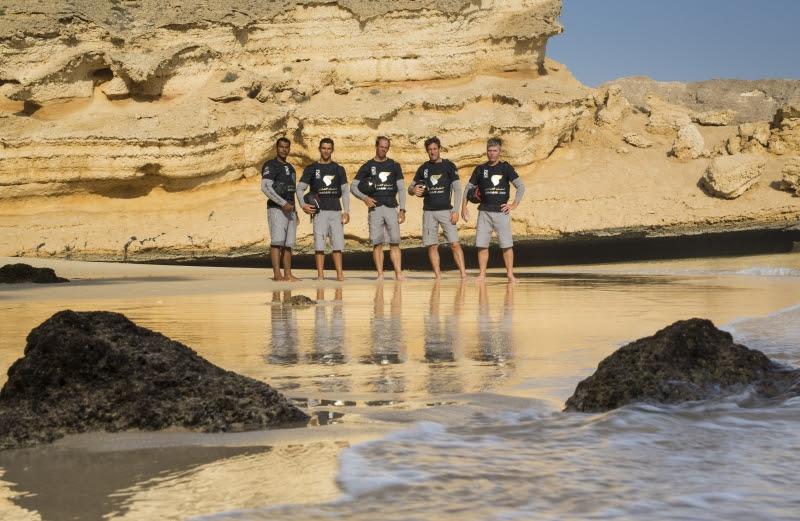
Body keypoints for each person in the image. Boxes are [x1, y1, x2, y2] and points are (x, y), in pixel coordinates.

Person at [461, 137, 525, 283]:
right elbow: (468, 189)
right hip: (484, 211)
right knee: (482, 245)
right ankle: (482, 275)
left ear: (499, 152)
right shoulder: (480, 169)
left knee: (506, 245)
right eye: (489, 151)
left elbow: (521, 186)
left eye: (494, 151)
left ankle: (510, 275)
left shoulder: (506, 168)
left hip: (502, 212)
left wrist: (514, 204)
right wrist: (464, 207)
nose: (491, 153)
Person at [408, 136, 467, 279]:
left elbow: (458, 190)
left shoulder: (449, 166)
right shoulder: (423, 168)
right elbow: (411, 187)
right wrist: (413, 190)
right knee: (432, 245)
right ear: (427, 151)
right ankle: (438, 276)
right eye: (429, 150)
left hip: (447, 211)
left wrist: (456, 211)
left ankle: (463, 275)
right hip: (428, 212)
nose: (432, 152)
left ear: (439, 149)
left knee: (454, 243)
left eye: (435, 149)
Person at [351, 136, 406, 280]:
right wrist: (365, 198)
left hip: (391, 207)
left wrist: (402, 209)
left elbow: (401, 189)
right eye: (381, 146)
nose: (383, 149)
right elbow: (353, 187)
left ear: (388, 148)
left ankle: (398, 274)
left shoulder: (394, 165)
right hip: (375, 209)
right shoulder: (368, 166)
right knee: (377, 243)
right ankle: (380, 274)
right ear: (376, 146)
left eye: (386, 147)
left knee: (395, 242)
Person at [297, 138, 350, 281]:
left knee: (337, 245)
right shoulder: (311, 168)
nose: (326, 151)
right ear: (319, 149)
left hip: (335, 210)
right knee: (319, 245)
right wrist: (303, 205)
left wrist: (347, 211)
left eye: (329, 148)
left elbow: (345, 191)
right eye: (323, 148)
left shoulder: (339, 169)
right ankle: (320, 275)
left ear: (332, 150)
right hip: (319, 212)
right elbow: (300, 188)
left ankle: (339, 274)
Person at [260, 137, 299, 281]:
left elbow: (292, 191)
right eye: (281, 147)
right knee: (277, 242)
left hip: (291, 210)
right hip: (276, 209)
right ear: (276, 148)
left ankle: (288, 274)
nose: (284, 149)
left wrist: (296, 211)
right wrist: (282, 203)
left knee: (288, 244)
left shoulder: (291, 168)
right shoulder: (270, 165)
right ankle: (277, 274)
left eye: (287, 147)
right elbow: (265, 187)